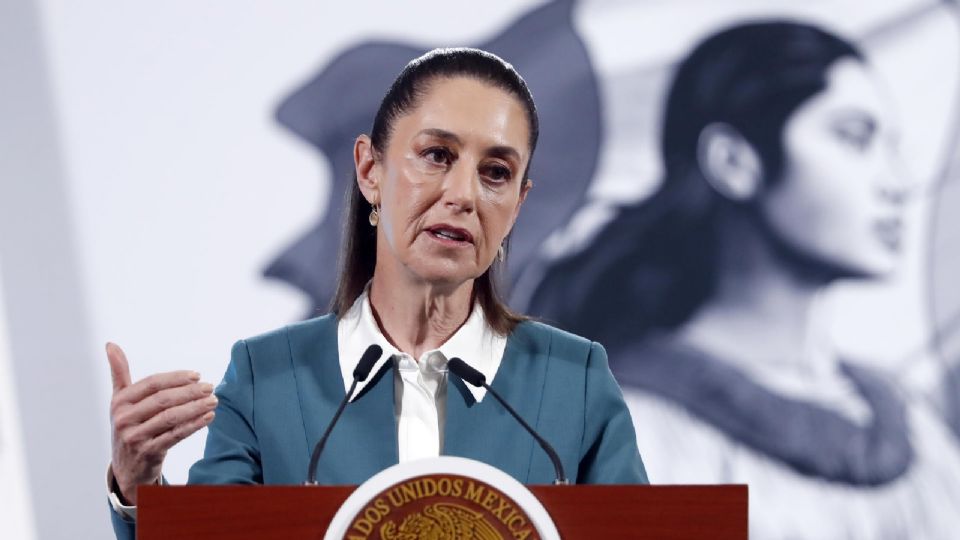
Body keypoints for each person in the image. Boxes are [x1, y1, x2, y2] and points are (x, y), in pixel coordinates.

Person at [105, 48, 648, 539]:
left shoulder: (574, 380)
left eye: (496, 172)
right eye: (437, 155)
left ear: (518, 205)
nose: (463, 194)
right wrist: (137, 491)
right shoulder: (266, 377)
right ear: (369, 170)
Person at [527, 21, 960, 539]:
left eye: (892, 146)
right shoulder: (628, 432)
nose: (897, 182)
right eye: (853, 137)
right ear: (733, 161)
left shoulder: (911, 420)